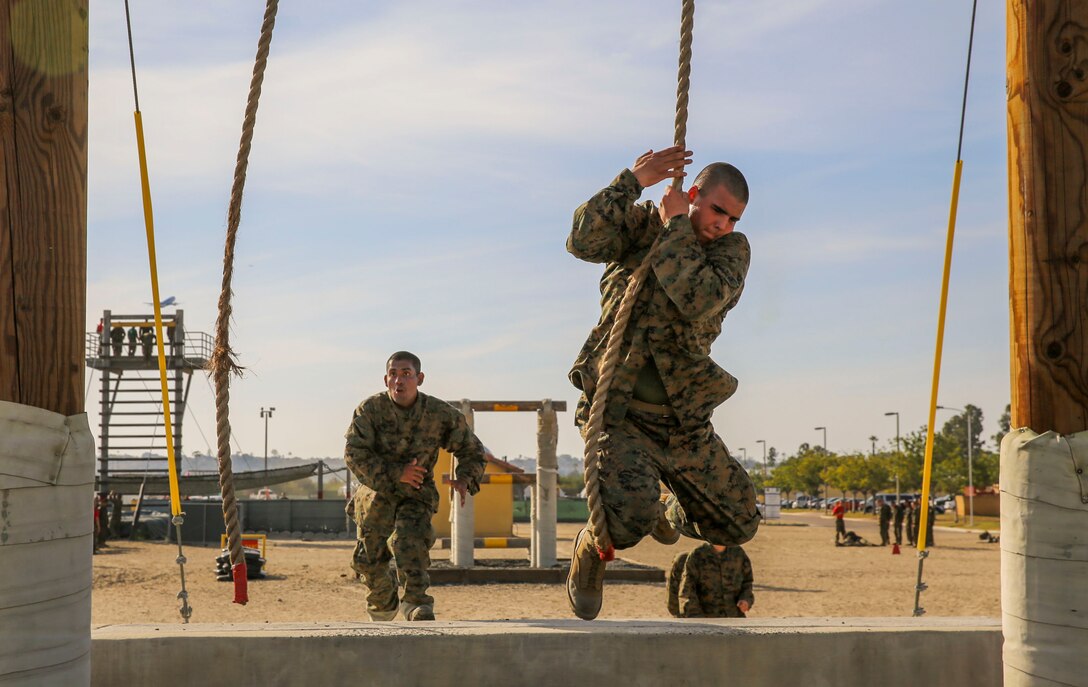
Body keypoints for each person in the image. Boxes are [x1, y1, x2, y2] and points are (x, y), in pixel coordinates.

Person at [565, 146, 760, 621]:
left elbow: (698, 297)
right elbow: (582, 241)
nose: (723, 225)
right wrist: (633, 180)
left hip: (683, 421)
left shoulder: (731, 252)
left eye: (733, 218)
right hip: (620, 414)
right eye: (717, 210)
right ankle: (592, 548)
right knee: (624, 520)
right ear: (692, 194)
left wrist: (677, 225)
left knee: (736, 519)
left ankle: (668, 509)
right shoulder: (640, 230)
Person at [343, 351, 486, 622]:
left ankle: (416, 603)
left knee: (410, 542)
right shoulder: (370, 410)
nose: (399, 380)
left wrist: (466, 478)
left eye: (406, 374)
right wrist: (398, 473)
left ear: (419, 378)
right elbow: (354, 453)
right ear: (386, 379)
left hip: (416, 492)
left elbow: (472, 449)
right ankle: (383, 603)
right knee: (367, 560)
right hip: (376, 493)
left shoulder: (439, 413)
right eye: (394, 374)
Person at [676, 542, 754, 618]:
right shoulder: (698, 555)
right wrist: (697, 620)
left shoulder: (738, 553)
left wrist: (745, 599)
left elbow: (747, 582)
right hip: (707, 620)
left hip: (734, 618)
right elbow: (687, 592)